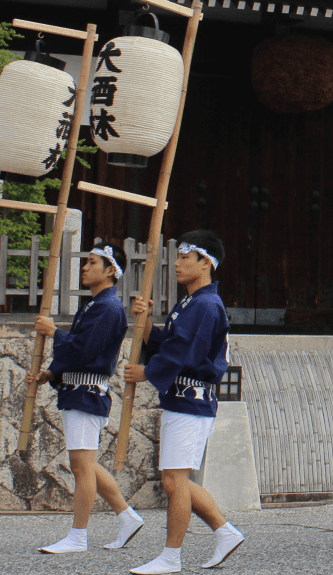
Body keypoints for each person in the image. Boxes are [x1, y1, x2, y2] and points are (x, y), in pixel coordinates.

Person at [126, 230, 245, 575]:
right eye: (176, 257)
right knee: (175, 479)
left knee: (175, 480)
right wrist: (146, 322)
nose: (176, 263)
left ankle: (171, 556)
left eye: (184, 257)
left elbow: (182, 352)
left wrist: (146, 372)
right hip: (183, 400)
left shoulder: (206, 305)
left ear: (206, 262)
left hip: (192, 400)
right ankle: (224, 532)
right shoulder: (191, 302)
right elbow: (169, 342)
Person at [32, 242, 143, 555]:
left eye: (92, 262)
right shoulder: (94, 305)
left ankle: (78, 535)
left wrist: (54, 332)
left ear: (110, 270)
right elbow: (79, 348)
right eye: (85, 262)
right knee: (87, 464)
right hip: (78, 390)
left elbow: (83, 351)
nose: (84, 267)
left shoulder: (108, 308)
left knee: (81, 466)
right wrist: (51, 374)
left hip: (88, 392)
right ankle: (126, 516)